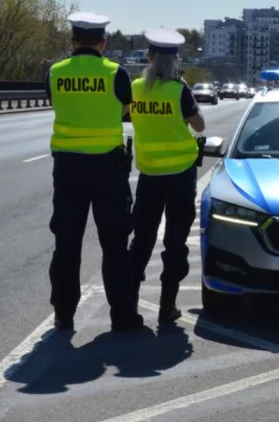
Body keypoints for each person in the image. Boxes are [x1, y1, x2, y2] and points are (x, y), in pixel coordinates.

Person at [45, 11, 144, 332]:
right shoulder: (116, 73)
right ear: (103, 42)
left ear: (72, 41)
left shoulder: (55, 72)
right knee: (114, 244)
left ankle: (63, 314)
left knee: (67, 244)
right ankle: (122, 316)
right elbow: (125, 109)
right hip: (107, 168)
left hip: (67, 167)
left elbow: (54, 102)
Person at [127, 28, 206, 323]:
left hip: (149, 174)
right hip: (180, 177)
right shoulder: (179, 90)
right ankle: (166, 307)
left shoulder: (136, 88)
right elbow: (199, 126)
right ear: (175, 61)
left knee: (141, 239)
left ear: (149, 57)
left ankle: (129, 305)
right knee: (175, 242)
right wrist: (185, 89)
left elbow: (123, 113)